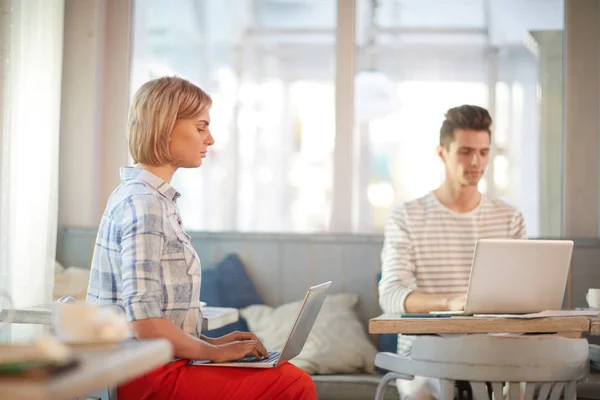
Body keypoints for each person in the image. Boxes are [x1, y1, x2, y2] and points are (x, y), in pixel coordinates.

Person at [86, 76, 316, 400]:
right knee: (292, 384)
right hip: (144, 374)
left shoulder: (151, 198)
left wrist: (213, 344)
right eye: (201, 127)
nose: (210, 139)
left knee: (285, 375)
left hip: (159, 364)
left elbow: (154, 319)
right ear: (165, 127)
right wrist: (215, 354)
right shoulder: (145, 203)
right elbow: (146, 324)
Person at [378, 105, 526, 400]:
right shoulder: (406, 216)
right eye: (465, 151)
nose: (476, 161)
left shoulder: (509, 218)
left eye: (484, 152)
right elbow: (391, 295)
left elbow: (523, 296)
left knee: (528, 382)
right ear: (442, 153)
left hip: (492, 353)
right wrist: (454, 303)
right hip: (426, 356)